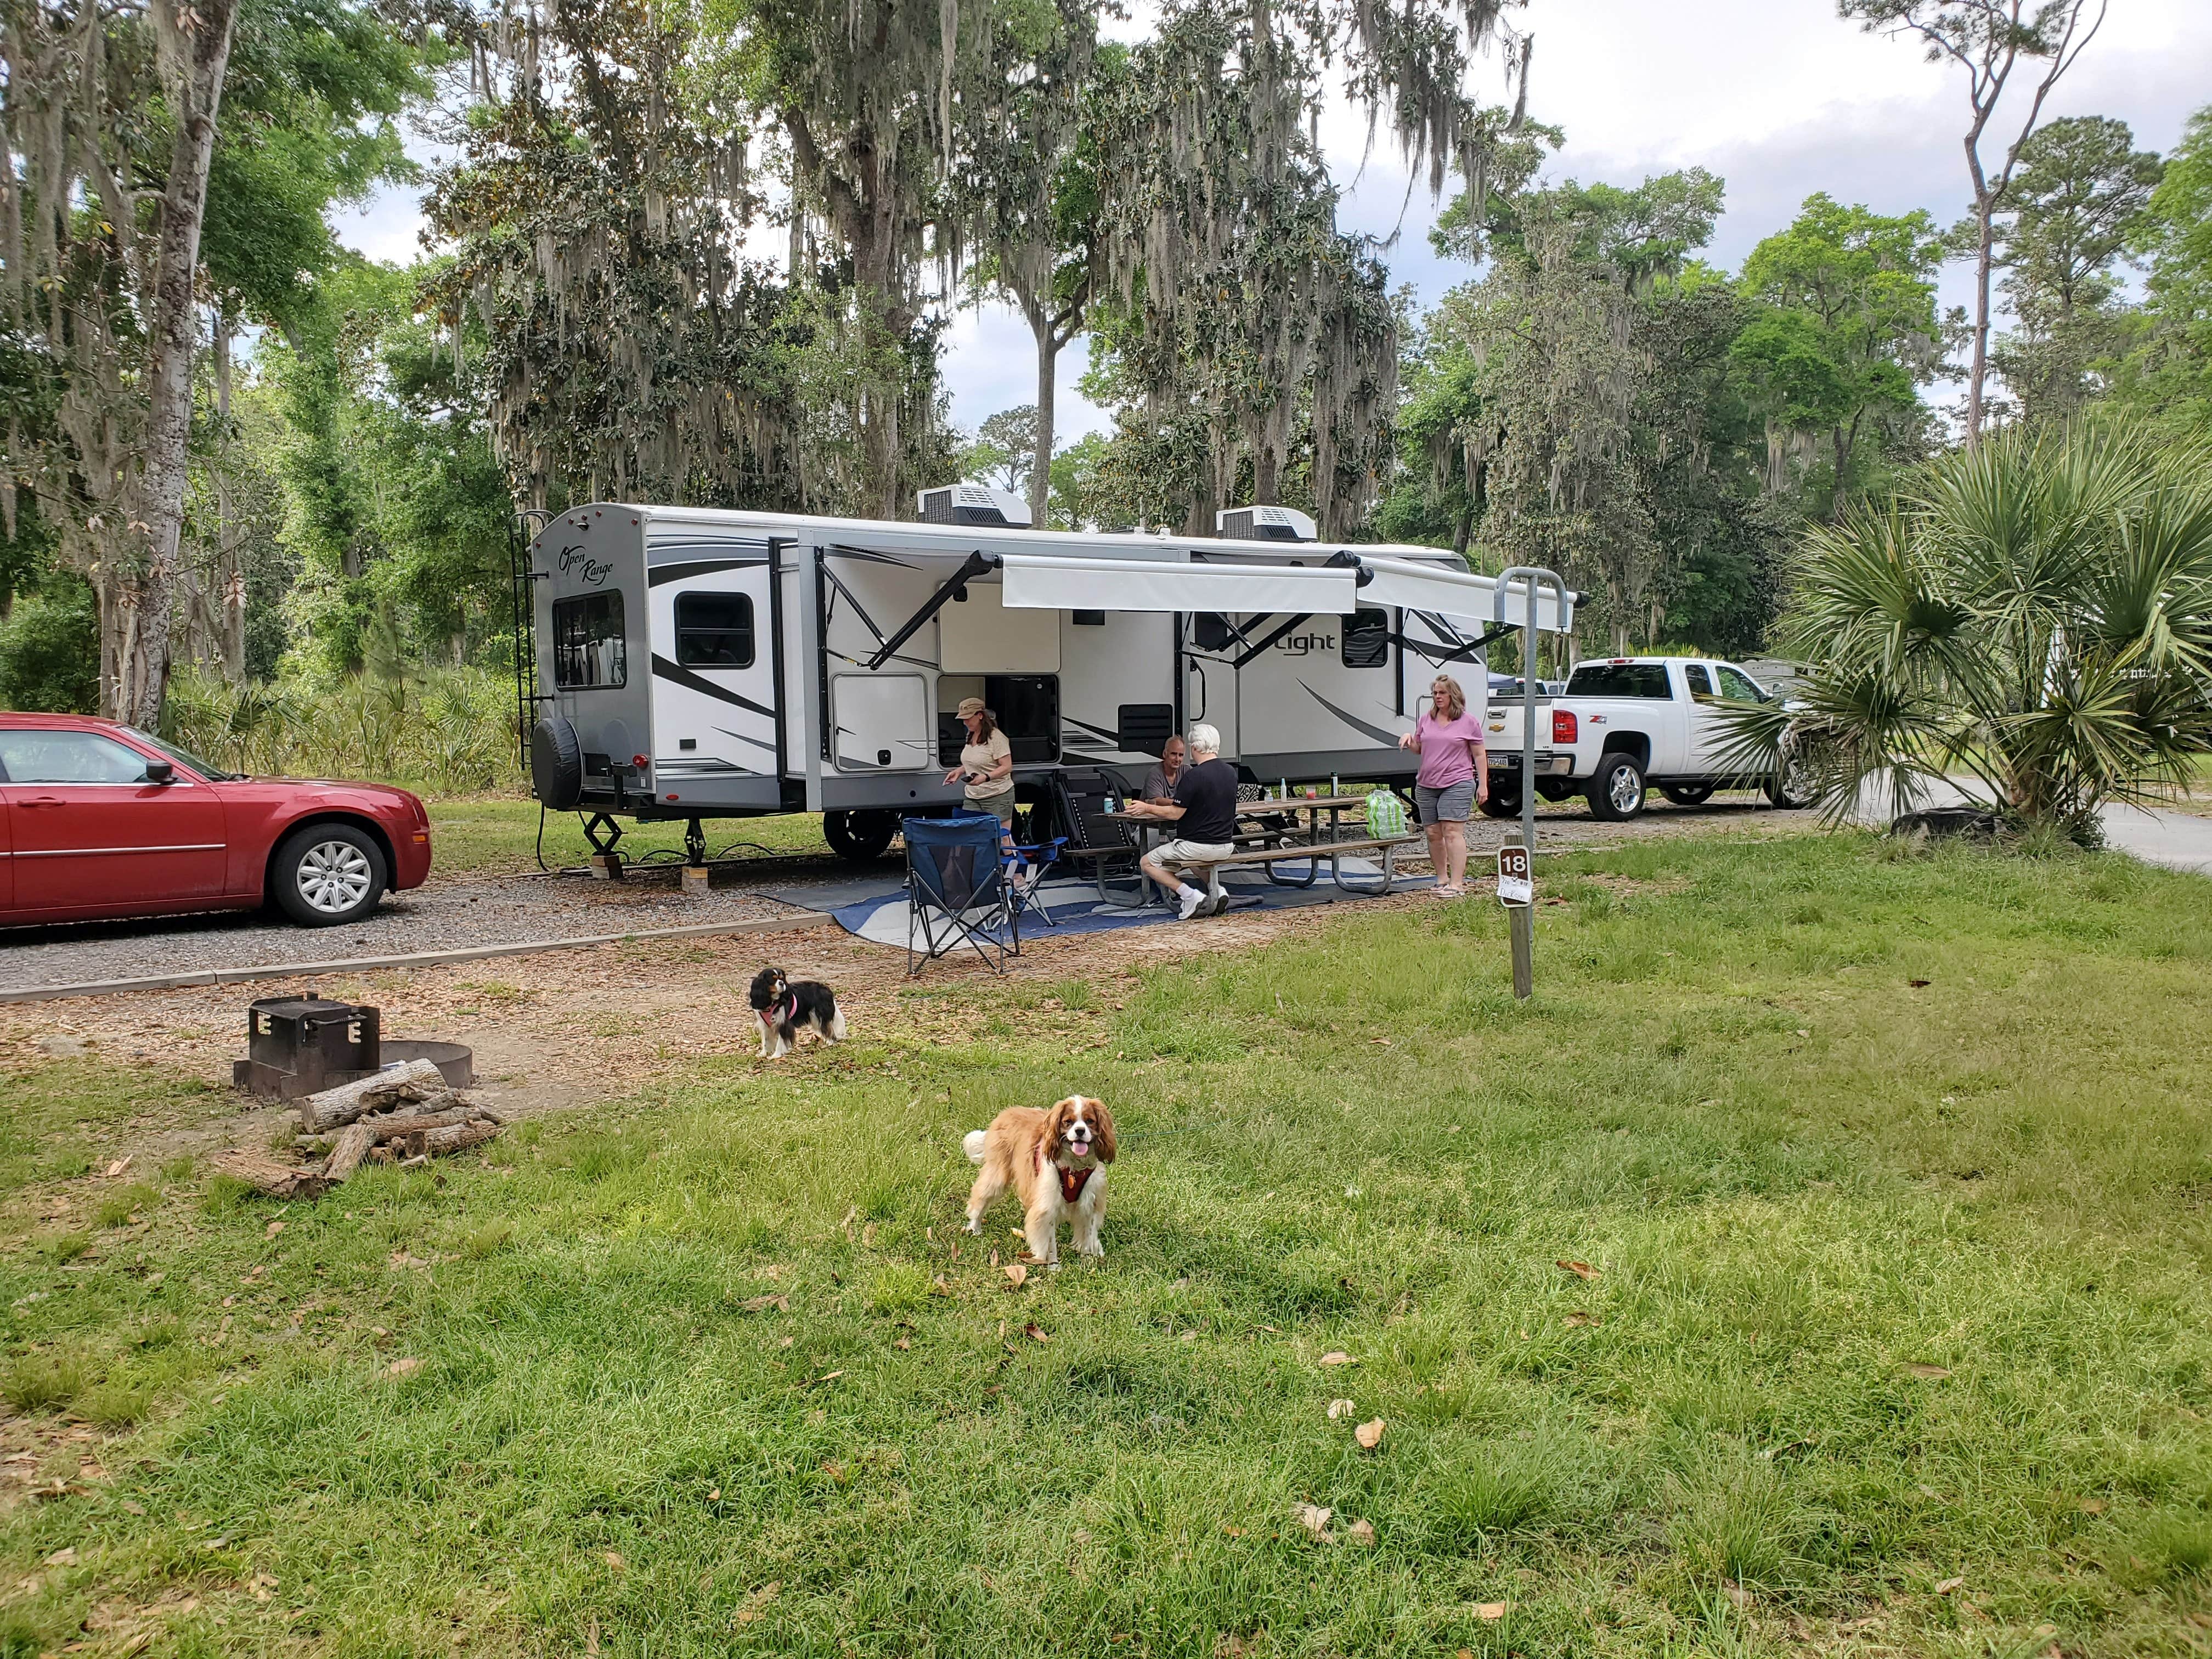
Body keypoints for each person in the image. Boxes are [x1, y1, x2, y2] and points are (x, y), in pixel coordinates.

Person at [1121, 723, 1238, 921]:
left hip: (1197, 845)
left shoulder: (1194, 776)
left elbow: (1175, 814)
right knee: (1192, 861)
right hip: (1226, 845)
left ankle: (1189, 895)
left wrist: (1146, 807)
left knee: (1147, 862)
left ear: (1194, 748)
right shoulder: (1230, 772)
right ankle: (1218, 890)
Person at [1398, 673, 1487, 897]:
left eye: (1442, 693)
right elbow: (1419, 748)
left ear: (1453, 695)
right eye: (1435, 693)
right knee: (1432, 833)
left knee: (1452, 831)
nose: (1438, 697)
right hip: (1427, 783)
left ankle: (1457, 884)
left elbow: (1479, 754)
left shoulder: (1468, 722)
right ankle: (1441, 879)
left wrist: (1483, 785)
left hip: (1457, 781)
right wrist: (1409, 739)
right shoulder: (1427, 719)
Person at [944, 697, 1016, 828]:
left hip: (997, 795)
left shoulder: (997, 737)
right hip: (973, 795)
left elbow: (1007, 767)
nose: (965, 722)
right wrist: (958, 772)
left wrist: (985, 778)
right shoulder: (971, 735)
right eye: (963, 719)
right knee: (969, 834)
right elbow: (974, 761)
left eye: (968, 718)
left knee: (1002, 837)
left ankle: (1011, 850)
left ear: (980, 715)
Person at [1140, 736, 1187, 805]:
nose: (1177, 759)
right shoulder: (1155, 773)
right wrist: (1181, 803)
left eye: (1181, 755)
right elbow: (1156, 801)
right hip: (1152, 815)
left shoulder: (1187, 771)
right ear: (1165, 754)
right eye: (1174, 754)